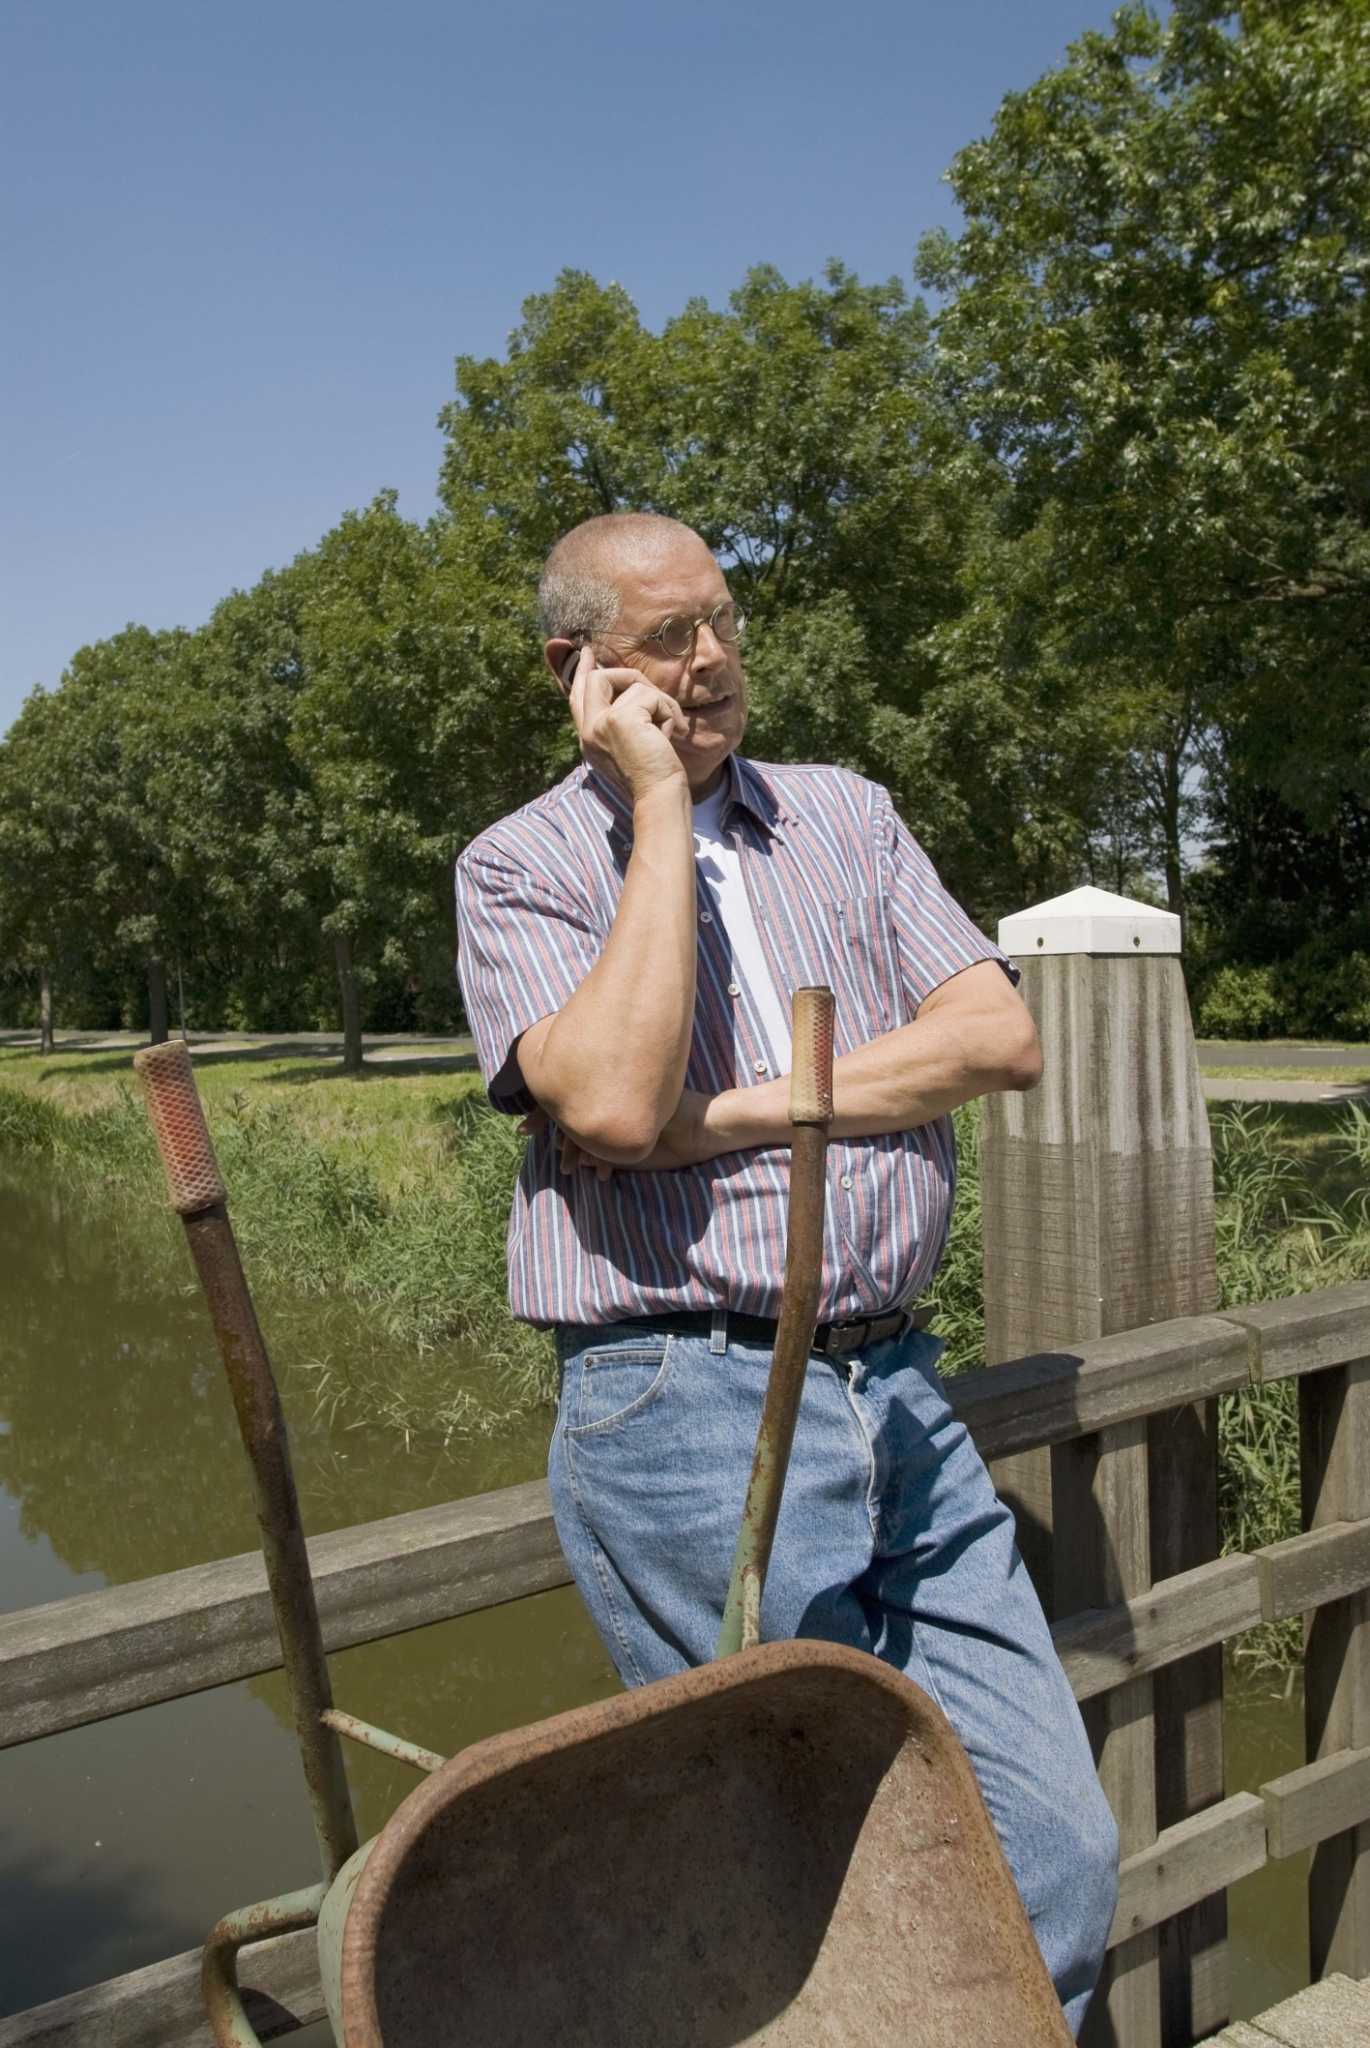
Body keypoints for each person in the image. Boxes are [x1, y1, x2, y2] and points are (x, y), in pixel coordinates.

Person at [454, 511, 1118, 2033]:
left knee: (1055, 1855)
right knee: (804, 1884)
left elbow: (994, 1039)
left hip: (895, 1383)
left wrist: (727, 1117)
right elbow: (614, 1101)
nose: (710, 661)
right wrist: (655, 810)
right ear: (577, 670)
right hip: (686, 1400)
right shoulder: (521, 866)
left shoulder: (845, 815)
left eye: (723, 624)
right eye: (664, 639)